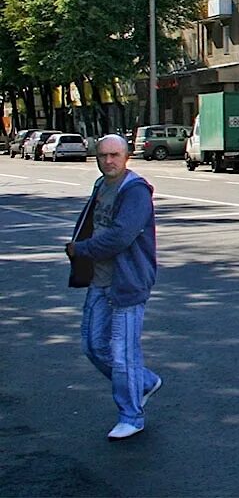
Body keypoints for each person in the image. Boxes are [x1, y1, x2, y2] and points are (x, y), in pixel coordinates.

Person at [64, 134, 161, 441]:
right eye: (103, 155)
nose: (108, 161)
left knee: (123, 354)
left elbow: (120, 237)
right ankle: (143, 382)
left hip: (127, 283)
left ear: (127, 156)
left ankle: (132, 416)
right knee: (93, 346)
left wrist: (81, 250)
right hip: (100, 280)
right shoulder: (101, 185)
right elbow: (91, 222)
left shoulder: (135, 192)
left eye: (114, 155)